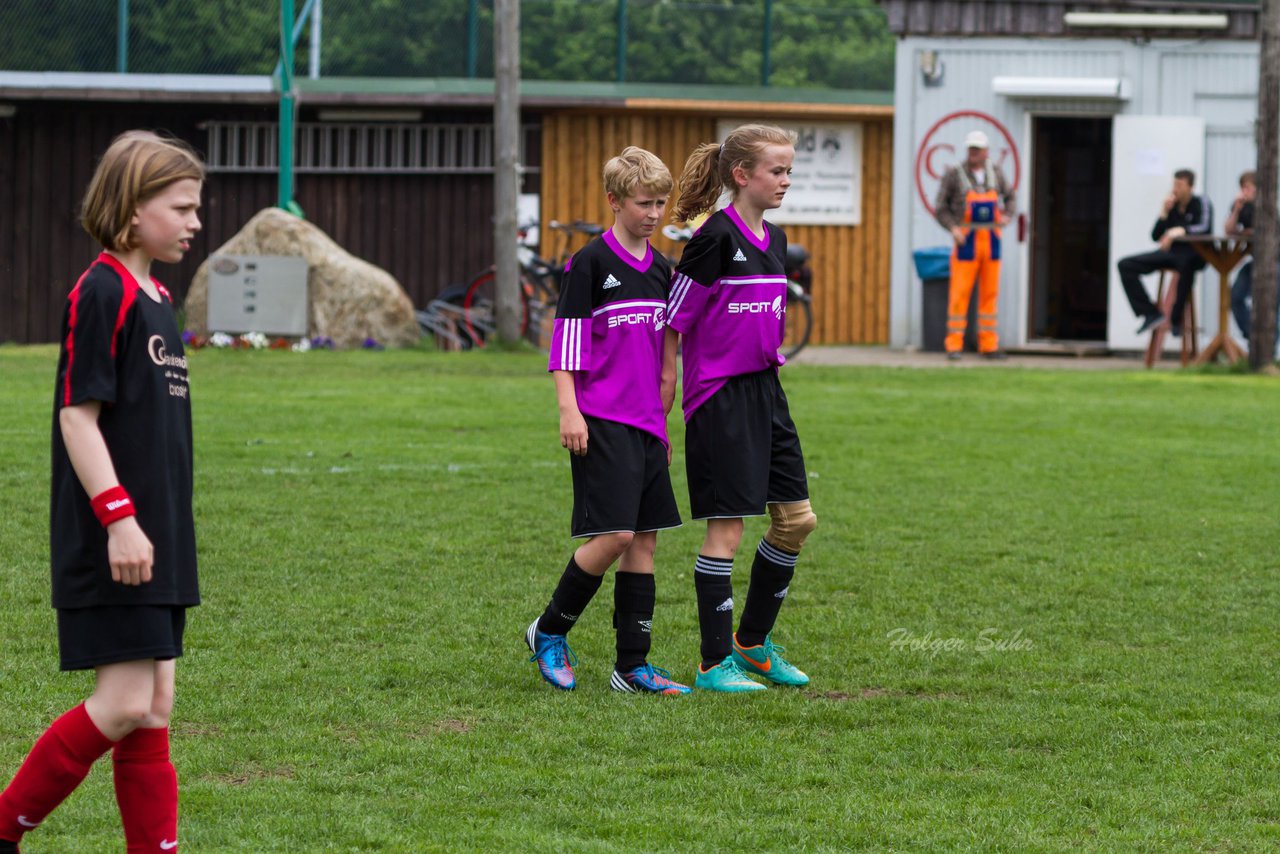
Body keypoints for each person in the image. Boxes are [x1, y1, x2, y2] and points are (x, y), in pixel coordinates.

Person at [0, 131, 203, 853]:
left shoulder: (157, 297)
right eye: (180, 207)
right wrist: (119, 519)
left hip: (159, 537)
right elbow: (76, 417)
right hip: (116, 536)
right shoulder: (102, 290)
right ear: (131, 207)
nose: (194, 222)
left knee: (154, 709)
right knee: (121, 705)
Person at [524, 146, 690, 695]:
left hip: (646, 426)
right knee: (615, 533)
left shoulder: (663, 269)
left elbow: (666, 360)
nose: (654, 213)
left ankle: (632, 666)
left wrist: (663, 426)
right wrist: (569, 409)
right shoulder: (590, 264)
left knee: (644, 541)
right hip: (600, 419)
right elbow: (566, 343)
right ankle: (548, 630)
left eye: (661, 203)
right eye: (644, 202)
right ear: (614, 201)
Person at [666, 123, 816, 693]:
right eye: (777, 171)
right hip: (720, 399)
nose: (784, 181)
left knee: (797, 520)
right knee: (725, 532)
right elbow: (672, 322)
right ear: (741, 175)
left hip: (766, 394)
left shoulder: (775, 241)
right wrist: (667, 391)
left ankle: (751, 646)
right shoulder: (710, 241)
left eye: (789, 171)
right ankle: (712, 665)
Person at [932, 130, 1015, 360]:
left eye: (977, 149)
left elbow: (1010, 197)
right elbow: (940, 208)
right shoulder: (954, 174)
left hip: (991, 241)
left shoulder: (996, 173)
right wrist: (953, 229)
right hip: (966, 242)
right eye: (971, 149)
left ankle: (988, 345)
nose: (974, 153)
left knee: (990, 295)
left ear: (986, 151)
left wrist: (1007, 215)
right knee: (959, 294)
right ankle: (954, 345)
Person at [1117, 168, 1214, 336]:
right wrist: (1163, 213)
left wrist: (1181, 230)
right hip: (1171, 254)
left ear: (1190, 187)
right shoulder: (1172, 206)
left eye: (1180, 185)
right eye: (1174, 184)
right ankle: (1149, 313)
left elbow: (1205, 227)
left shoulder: (1202, 202)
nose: (1175, 189)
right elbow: (1155, 236)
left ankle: (1176, 320)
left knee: (1186, 267)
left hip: (1195, 254)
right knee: (1125, 264)